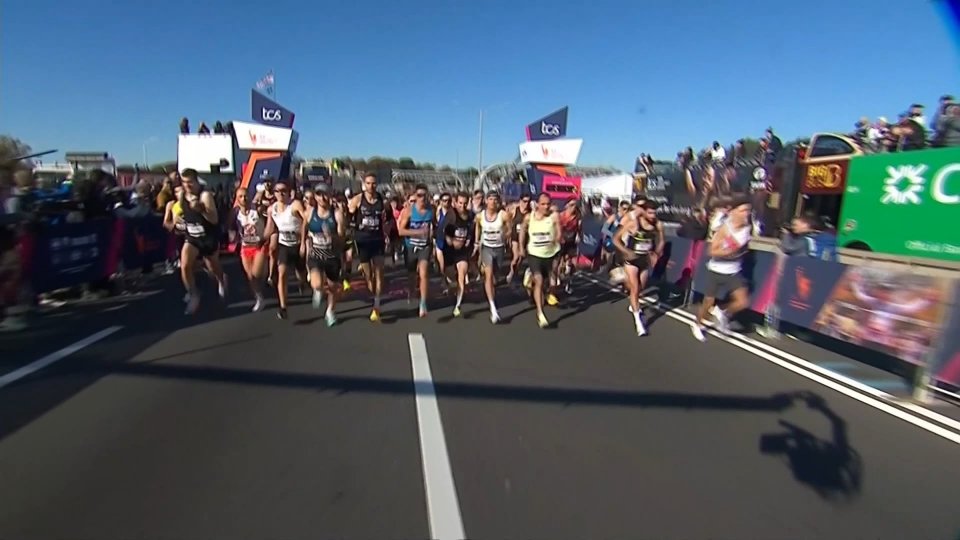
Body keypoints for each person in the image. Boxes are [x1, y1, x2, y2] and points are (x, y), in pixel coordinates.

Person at [691, 195, 753, 341]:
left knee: (743, 302)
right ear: (734, 212)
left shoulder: (746, 230)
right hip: (716, 270)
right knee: (708, 302)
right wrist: (728, 249)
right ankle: (697, 324)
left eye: (748, 211)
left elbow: (735, 249)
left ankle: (722, 312)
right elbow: (712, 251)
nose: (747, 214)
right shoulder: (723, 227)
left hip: (734, 272)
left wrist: (728, 248)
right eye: (743, 210)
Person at [177, 169, 227, 315]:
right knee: (185, 265)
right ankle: (193, 294)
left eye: (190, 182)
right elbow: (183, 212)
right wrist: (180, 221)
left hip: (207, 237)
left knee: (213, 267)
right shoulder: (182, 195)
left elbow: (214, 219)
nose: (187, 186)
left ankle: (221, 280)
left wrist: (201, 209)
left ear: (196, 181)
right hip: (192, 237)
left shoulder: (205, 195)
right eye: (184, 182)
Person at [612, 201, 663, 336]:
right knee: (634, 288)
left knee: (641, 287)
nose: (652, 216)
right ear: (644, 212)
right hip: (632, 259)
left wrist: (656, 253)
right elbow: (616, 239)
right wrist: (625, 251)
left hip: (644, 260)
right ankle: (638, 321)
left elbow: (661, 241)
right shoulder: (634, 223)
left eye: (654, 213)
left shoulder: (657, 225)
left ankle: (631, 299)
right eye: (650, 213)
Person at [347, 173, 391, 322]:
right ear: (364, 184)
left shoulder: (382, 201)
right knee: (369, 277)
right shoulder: (358, 200)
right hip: (363, 241)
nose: (371, 186)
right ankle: (371, 288)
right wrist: (356, 226)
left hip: (377, 240)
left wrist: (386, 231)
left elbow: (390, 218)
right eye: (368, 183)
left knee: (380, 272)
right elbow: (347, 218)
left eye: (373, 183)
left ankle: (376, 305)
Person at [264, 180, 308, 320]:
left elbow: (305, 220)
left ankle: (302, 282)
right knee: (282, 273)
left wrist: (303, 243)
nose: (280, 193)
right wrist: (260, 239)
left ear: (289, 192)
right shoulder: (272, 209)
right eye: (277, 191)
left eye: (283, 191)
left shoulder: (295, 205)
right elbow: (270, 228)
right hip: (284, 244)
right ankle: (283, 307)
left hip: (297, 243)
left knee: (301, 273)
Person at [519, 192, 562, 328]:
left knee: (553, 282)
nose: (546, 207)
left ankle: (529, 278)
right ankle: (540, 313)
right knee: (539, 280)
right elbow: (522, 231)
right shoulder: (529, 217)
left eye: (548, 204)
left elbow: (559, 231)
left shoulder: (554, 216)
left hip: (551, 253)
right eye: (543, 204)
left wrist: (556, 239)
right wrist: (521, 247)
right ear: (537, 204)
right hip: (535, 254)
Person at [304, 185, 345, 326]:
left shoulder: (337, 214)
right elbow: (304, 227)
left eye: (325, 194)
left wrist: (331, 236)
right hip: (316, 253)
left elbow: (342, 238)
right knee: (316, 283)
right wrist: (304, 244)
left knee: (333, 287)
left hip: (332, 255)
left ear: (330, 195)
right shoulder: (310, 212)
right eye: (319, 194)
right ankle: (318, 290)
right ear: (315, 197)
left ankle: (330, 311)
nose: (322, 198)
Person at [397, 184, 434, 318]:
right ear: (415, 196)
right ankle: (412, 290)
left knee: (423, 274)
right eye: (419, 195)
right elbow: (400, 231)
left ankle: (423, 303)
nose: (422, 198)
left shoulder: (431, 210)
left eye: (425, 195)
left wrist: (432, 235)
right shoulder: (409, 211)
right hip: (410, 246)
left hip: (425, 247)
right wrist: (418, 232)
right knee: (412, 274)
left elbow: (433, 226)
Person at [474, 190, 510, 323]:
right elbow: (477, 227)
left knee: (495, 276)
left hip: (499, 248)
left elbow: (509, 228)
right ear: (486, 201)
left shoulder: (504, 215)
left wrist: (505, 235)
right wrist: (477, 242)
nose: (493, 202)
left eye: (495, 200)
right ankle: (493, 308)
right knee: (488, 276)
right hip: (486, 248)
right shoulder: (480, 216)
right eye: (490, 199)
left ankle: (492, 293)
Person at [232, 186, 267, 312]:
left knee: (256, 274)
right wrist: (233, 238)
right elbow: (230, 227)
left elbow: (267, 218)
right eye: (240, 196)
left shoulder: (256, 210)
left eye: (245, 195)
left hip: (259, 245)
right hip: (245, 247)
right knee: (250, 276)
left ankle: (265, 271)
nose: (244, 198)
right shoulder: (236, 213)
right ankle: (259, 298)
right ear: (237, 198)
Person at [440, 192, 474, 317]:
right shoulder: (451, 214)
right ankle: (453, 285)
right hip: (450, 250)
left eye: (465, 203)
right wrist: (450, 240)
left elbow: (471, 230)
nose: (463, 206)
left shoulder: (470, 215)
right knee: (449, 273)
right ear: (456, 202)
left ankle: (458, 305)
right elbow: (444, 231)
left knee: (462, 274)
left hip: (462, 251)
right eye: (460, 203)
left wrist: (470, 240)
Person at [507, 194, 531, 283]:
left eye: (528, 202)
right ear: (520, 201)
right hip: (514, 236)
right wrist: (508, 233)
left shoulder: (530, 212)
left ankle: (515, 271)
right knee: (516, 256)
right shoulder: (515, 210)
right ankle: (511, 272)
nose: (526, 204)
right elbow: (508, 219)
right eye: (524, 201)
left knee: (521, 257)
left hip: (525, 237)